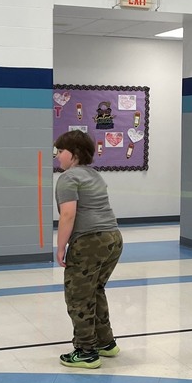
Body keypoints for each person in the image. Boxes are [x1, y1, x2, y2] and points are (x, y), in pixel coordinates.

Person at [54, 130, 123, 369]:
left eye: (60, 151)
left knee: (78, 296)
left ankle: (85, 351)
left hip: (90, 242)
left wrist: (61, 246)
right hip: (113, 238)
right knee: (95, 290)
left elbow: (68, 214)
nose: (57, 156)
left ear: (73, 154)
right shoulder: (94, 175)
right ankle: (105, 342)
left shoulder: (68, 178)